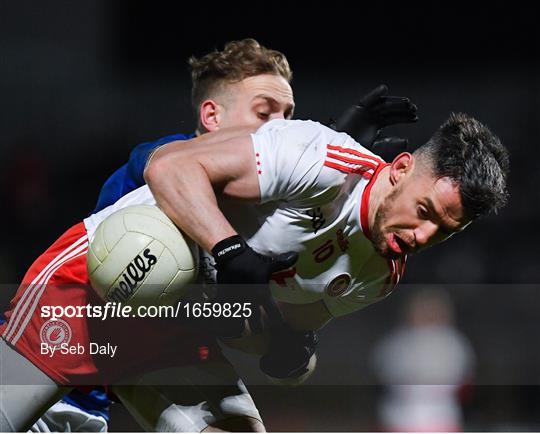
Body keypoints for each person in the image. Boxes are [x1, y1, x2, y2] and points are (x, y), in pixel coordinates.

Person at [0, 39, 418, 432]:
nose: (285, 128)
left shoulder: (280, 214)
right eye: (265, 112)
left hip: (160, 349)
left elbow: (237, 323)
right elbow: (166, 168)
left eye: (290, 117)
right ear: (212, 117)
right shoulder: (163, 160)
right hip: (78, 348)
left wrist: (288, 343)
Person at [0, 111, 508, 431]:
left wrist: (285, 349)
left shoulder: (381, 274)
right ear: (399, 169)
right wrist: (230, 251)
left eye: (443, 231)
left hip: (178, 328)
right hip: (100, 284)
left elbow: (265, 326)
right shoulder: (321, 159)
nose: (422, 237)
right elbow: (168, 168)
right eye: (424, 211)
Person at [371, 288, 476, 432]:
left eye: (432, 310)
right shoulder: (397, 341)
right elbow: (384, 370)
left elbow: (460, 375)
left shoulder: (453, 342)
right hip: (400, 415)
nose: (427, 316)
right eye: (422, 310)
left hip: (441, 416)